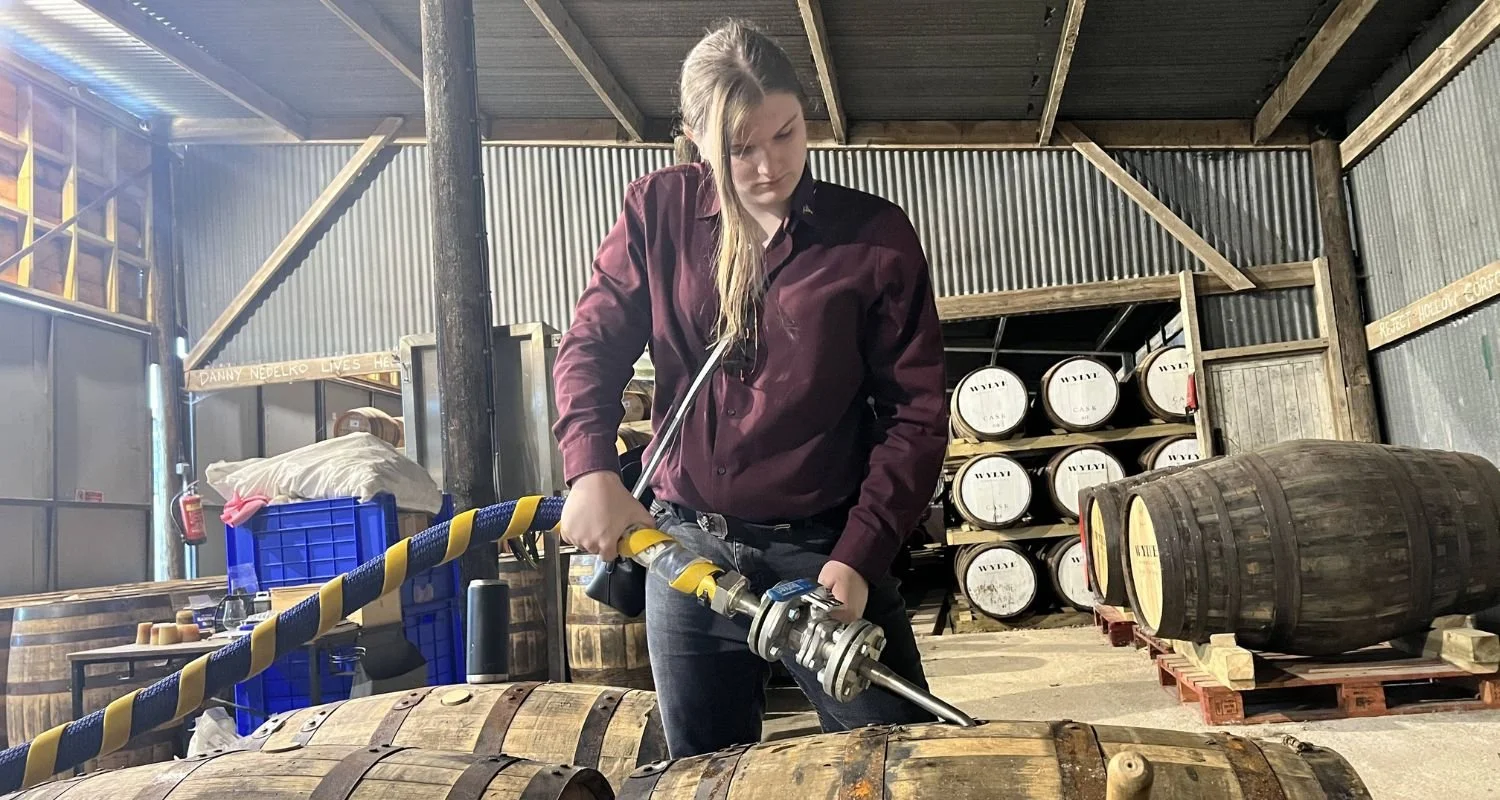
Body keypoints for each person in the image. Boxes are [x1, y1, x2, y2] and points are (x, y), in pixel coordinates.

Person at [552, 20, 947, 758]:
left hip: (825, 555)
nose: (769, 166)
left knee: (896, 764)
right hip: (688, 556)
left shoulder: (875, 239)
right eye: (740, 148)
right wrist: (591, 470)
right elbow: (591, 347)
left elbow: (917, 418)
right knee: (700, 772)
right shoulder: (657, 213)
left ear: (805, 117)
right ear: (697, 137)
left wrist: (859, 559)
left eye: (786, 135)